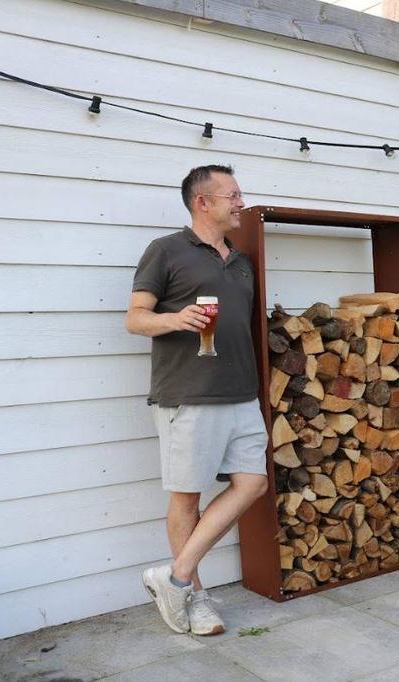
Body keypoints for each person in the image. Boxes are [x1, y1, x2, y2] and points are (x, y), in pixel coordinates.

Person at [125, 165, 268, 635]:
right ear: (202, 202)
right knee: (186, 499)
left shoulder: (242, 261)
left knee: (252, 483)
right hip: (188, 394)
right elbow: (135, 318)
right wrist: (175, 319)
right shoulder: (165, 250)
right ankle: (196, 597)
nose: (240, 202)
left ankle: (176, 578)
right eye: (233, 195)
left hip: (241, 393)